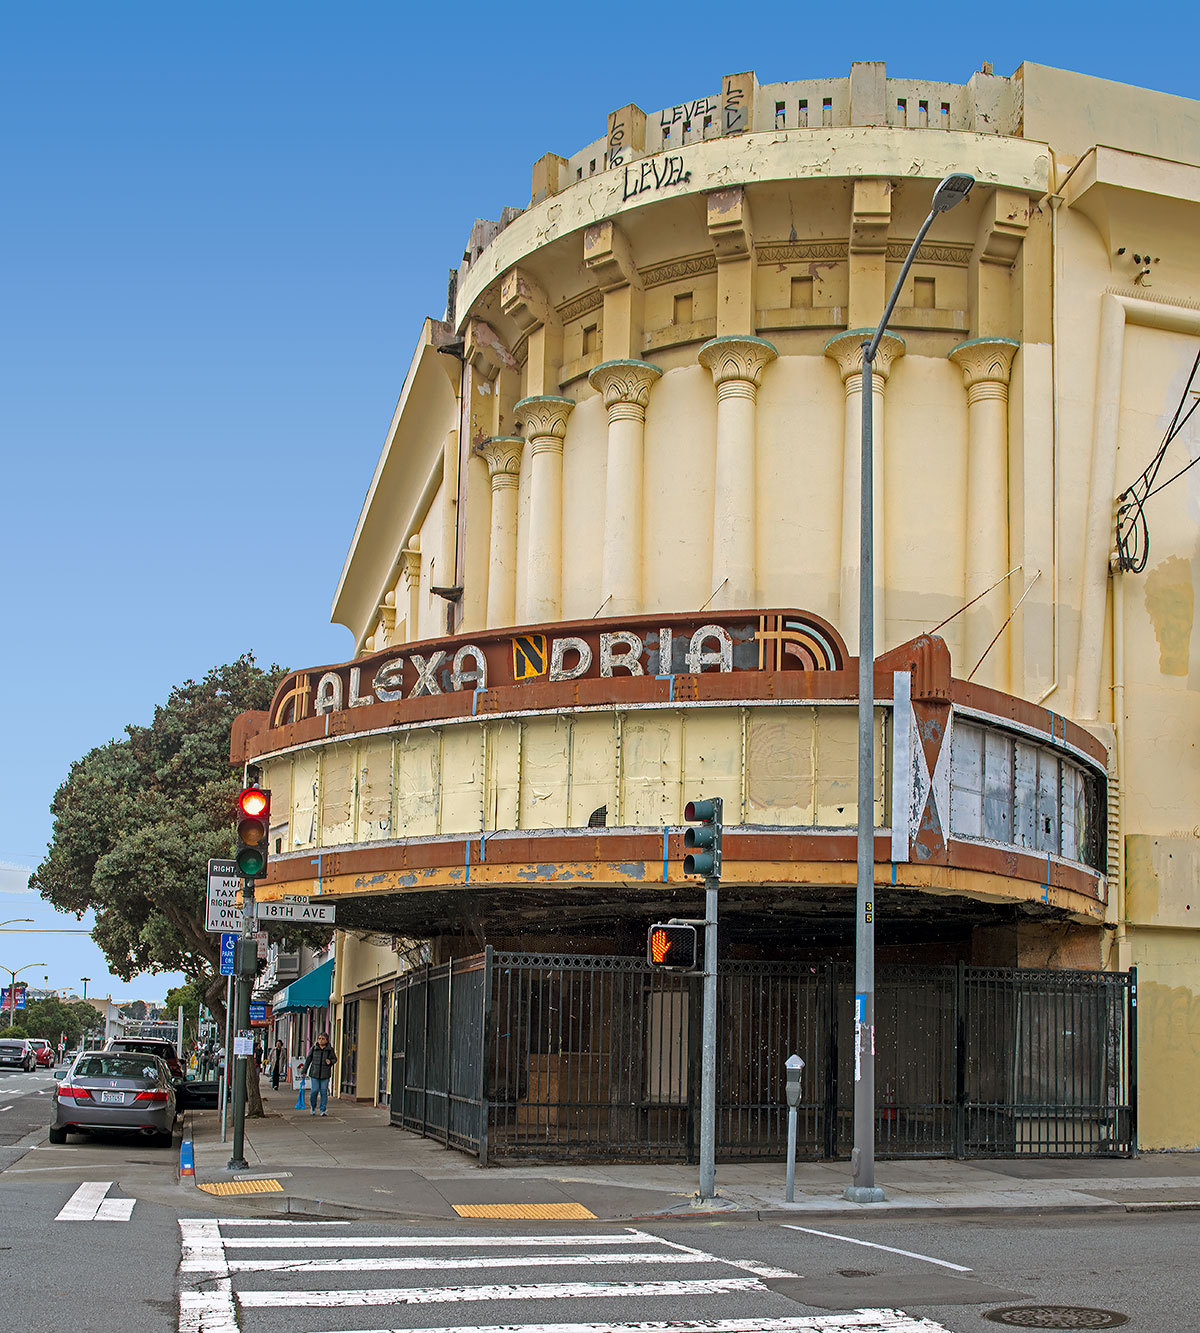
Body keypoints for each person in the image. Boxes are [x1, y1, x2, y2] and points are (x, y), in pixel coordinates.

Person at [300, 1032, 337, 1116]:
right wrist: (304, 1071)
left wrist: (330, 1061)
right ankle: (313, 1107)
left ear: (327, 1040)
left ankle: (323, 1109)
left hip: (325, 1074)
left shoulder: (330, 1050)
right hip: (315, 1073)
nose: (320, 1040)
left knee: (324, 1091)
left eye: (323, 1039)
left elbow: (335, 1059)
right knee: (314, 1091)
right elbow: (308, 1060)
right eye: (319, 1038)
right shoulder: (314, 1048)